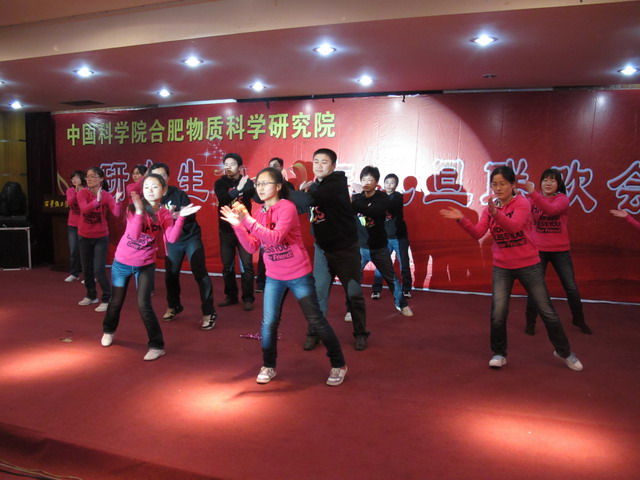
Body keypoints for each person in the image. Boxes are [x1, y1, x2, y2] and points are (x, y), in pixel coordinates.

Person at [439, 165, 583, 371]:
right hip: (502, 267)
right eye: (494, 184)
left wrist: (495, 213)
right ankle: (499, 353)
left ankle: (564, 352)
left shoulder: (523, 203)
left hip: (529, 265)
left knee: (547, 311)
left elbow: (514, 227)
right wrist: (461, 219)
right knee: (498, 313)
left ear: (513, 185)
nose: (498, 188)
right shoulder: (489, 208)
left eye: (503, 184)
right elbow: (478, 233)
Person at [220, 167, 348, 386]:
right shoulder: (260, 213)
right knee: (268, 323)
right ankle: (268, 365)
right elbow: (252, 247)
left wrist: (246, 220)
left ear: (278, 186)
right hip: (274, 276)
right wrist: (238, 226)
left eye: (265, 183)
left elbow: (275, 238)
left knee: (315, 320)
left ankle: (339, 364)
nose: (260, 188)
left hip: (298, 274)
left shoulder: (287, 207)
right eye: (258, 184)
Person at [100, 174, 201, 361]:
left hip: (145, 264)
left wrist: (180, 218)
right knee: (116, 301)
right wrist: (140, 212)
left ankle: (156, 345)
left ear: (163, 190)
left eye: (155, 187)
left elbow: (171, 238)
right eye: (146, 187)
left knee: (144, 304)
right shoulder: (133, 208)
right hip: (122, 262)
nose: (150, 191)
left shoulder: (164, 213)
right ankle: (109, 330)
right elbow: (134, 235)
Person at [291, 148, 369, 351]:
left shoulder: (336, 184)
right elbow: (301, 207)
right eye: (316, 161)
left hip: (345, 250)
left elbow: (309, 200)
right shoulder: (315, 186)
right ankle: (314, 333)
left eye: (324, 162)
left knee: (353, 294)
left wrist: (280, 188)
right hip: (322, 249)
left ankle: (360, 333)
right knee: (318, 294)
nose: (318, 165)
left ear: (333, 166)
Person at [147, 163, 217, 331]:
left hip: (190, 237)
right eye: (155, 176)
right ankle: (174, 306)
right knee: (171, 274)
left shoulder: (179, 194)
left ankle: (209, 312)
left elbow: (190, 215)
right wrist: (172, 215)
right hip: (172, 240)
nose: (159, 179)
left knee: (200, 272)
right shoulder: (152, 199)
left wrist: (174, 215)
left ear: (168, 177)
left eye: (163, 175)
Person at [524, 169, 592, 335]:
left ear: (559, 184)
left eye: (552, 180)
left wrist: (533, 194)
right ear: (541, 182)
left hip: (560, 251)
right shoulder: (531, 199)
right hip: (538, 251)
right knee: (535, 288)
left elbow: (551, 210)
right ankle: (530, 322)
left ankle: (579, 320)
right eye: (545, 180)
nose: (548, 183)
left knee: (571, 287)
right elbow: (521, 213)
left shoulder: (562, 199)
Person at [351, 166, 413, 316]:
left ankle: (402, 304)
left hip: (379, 247)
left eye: (370, 180)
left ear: (377, 182)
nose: (366, 183)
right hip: (361, 247)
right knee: (353, 277)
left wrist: (357, 198)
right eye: (364, 180)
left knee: (391, 277)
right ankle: (351, 308)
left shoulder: (382, 198)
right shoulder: (356, 198)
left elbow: (374, 211)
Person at [213, 153, 256, 311]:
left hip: (244, 230)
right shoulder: (220, 183)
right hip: (226, 230)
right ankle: (231, 296)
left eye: (232, 164)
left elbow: (258, 197)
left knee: (247, 266)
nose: (228, 167)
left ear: (240, 167)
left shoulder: (248, 182)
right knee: (227, 266)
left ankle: (248, 298)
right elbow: (223, 199)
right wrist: (238, 189)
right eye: (226, 164)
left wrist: (258, 185)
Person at [77, 167, 123, 312]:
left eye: (93, 176)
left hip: (101, 236)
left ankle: (107, 298)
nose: (89, 179)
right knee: (86, 269)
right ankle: (91, 295)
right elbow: (85, 210)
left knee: (99, 269)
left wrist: (117, 201)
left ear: (101, 179)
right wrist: (97, 201)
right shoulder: (82, 193)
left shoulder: (106, 195)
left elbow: (116, 213)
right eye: (88, 176)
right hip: (84, 235)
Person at [256, 157, 295, 292]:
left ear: (282, 168)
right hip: (266, 227)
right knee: (264, 254)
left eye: (276, 165)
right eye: (258, 185)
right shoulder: (260, 210)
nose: (273, 168)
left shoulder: (288, 191)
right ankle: (261, 283)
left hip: (283, 230)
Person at [371, 173, 412, 299]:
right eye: (387, 182)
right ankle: (376, 290)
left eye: (392, 182)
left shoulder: (398, 197)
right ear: (383, 183)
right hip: (384, 238)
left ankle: (406, 288)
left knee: (404, 263)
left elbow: (388, 205)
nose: (389, 185)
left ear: (396, 185)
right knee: (380, 264)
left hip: (399, 237)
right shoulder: (378, 196)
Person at [65, 170, 86, 282]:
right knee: (74, 250)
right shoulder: (70, 190)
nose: (74, 180)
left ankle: (89, 275)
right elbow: (70, 202)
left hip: (85, 225)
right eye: (72, 178)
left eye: (77, 178)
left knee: (85, 251)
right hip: (73, 225)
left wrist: (81, 192)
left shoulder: (87, 190)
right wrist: (77, 192)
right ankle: (74, 273)